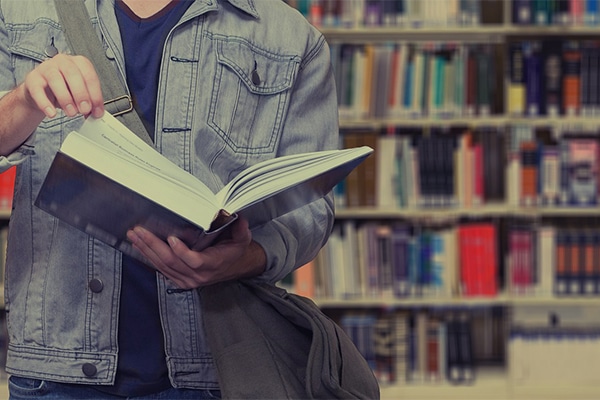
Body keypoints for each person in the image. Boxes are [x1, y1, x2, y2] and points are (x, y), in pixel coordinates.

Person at [0, 0, 338, 398]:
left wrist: (245, 258)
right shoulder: (16, 12)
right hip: (56, 369)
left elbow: (311, 207)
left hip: (214, 368)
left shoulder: (291, 37)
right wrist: (23, 100)